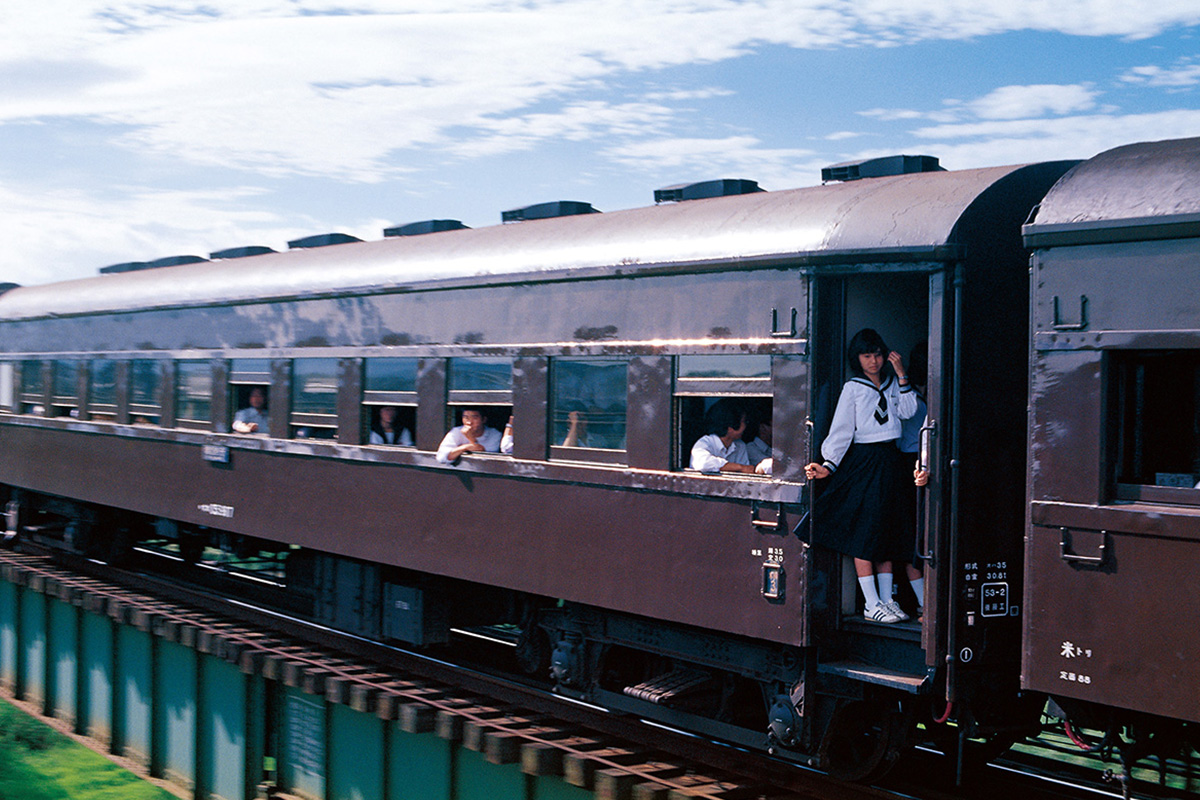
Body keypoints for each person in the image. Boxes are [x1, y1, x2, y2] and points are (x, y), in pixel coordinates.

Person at [803, 328, 918, 624]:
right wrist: (829, 464)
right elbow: (842, 429)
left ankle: (887, 600)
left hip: (890, 459)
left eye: (877, 354)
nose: (873, 361)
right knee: (864, 532)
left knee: (886, 531)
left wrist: (901, 374)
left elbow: (909, 412)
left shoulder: (893, 383)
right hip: (864, 460)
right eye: (867, 356)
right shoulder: (853, 388)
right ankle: (871, 603)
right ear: (857, 359)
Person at [892, 342, 928, 620]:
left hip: (923, 462)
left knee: (922, 531)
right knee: (912, 533)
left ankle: (924, 601)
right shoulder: (905, 391)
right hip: (909, 464)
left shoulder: (933, 392)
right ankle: (922, 601)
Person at [690, 398, 771, 474]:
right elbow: (703, 464)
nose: (746, 426)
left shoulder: (740, 446)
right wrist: (740, 467)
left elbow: (746, 472)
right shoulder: (705, 442)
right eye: (744, 422)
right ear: (731, 427)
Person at [436, 406, 502, 463]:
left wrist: (471, 438)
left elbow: (485, 457)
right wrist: (465, 447)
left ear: (484, 420)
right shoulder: (456, 431)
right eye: (466, 418)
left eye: (475, 418)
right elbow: (442, 457)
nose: (469, 422)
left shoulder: (495, 434)